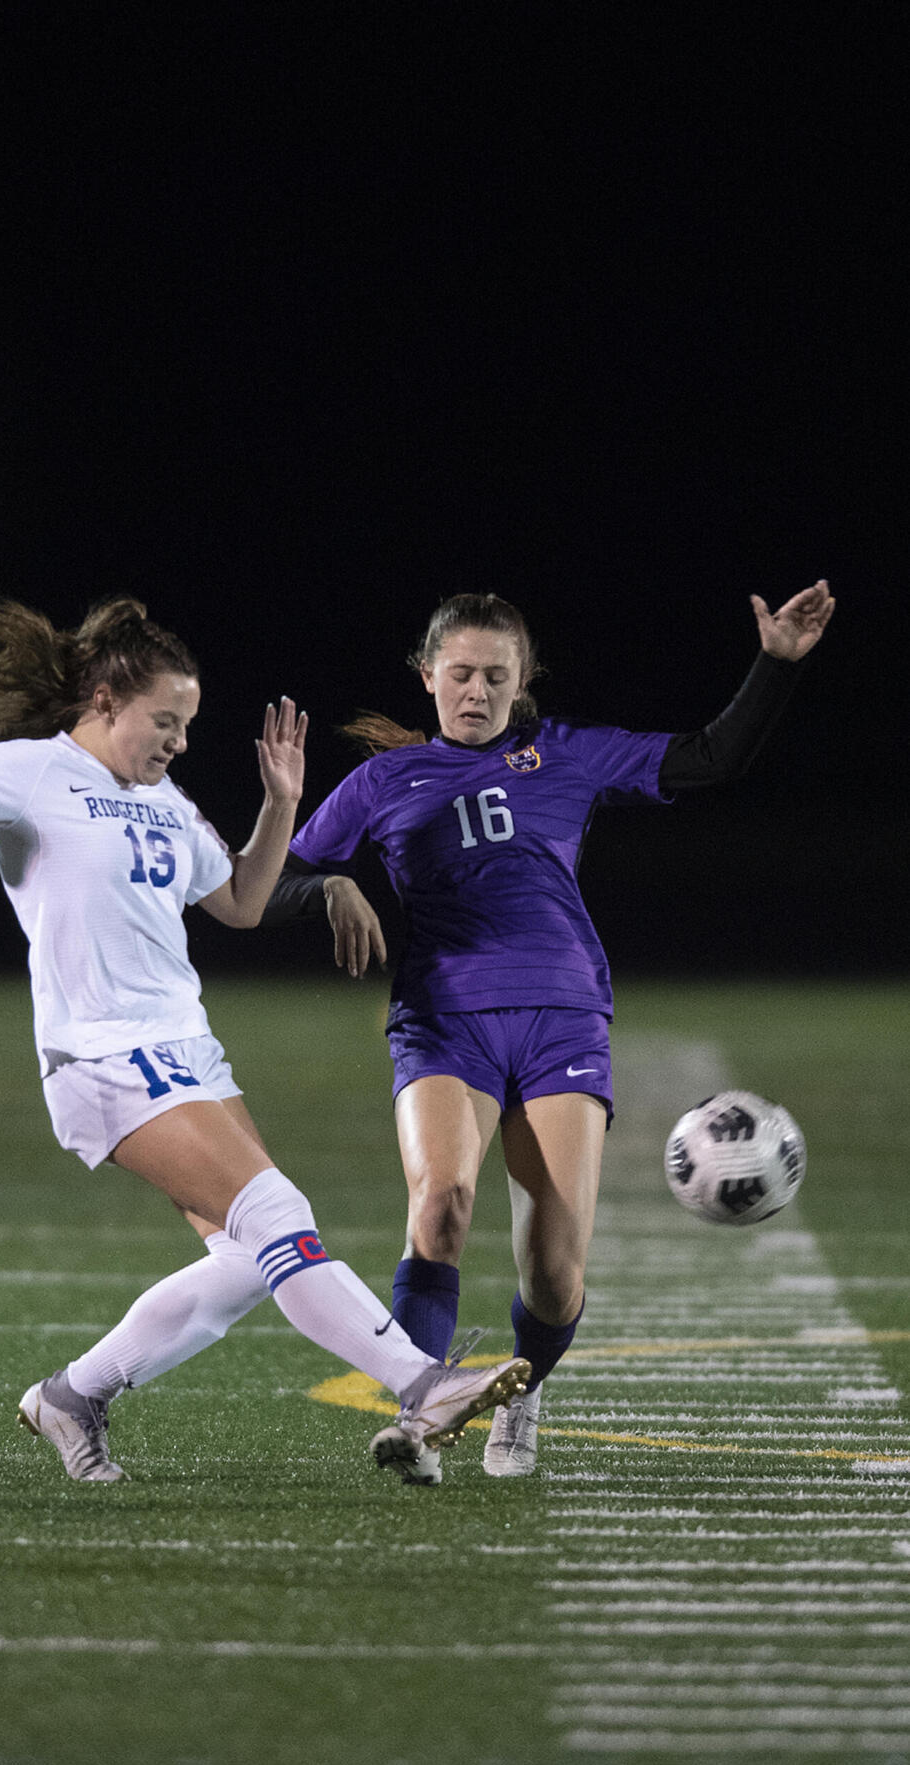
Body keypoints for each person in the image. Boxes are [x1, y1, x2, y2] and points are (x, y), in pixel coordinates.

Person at [0, 594, 530, 1489]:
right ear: (105, 702)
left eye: (187, 724)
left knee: (246, 1260)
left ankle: (72, 1396)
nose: (180, 740)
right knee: (279, 1220)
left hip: (188, 1052)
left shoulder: (165, 799)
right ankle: (423, 1382)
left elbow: (242, 903)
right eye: (166, 720)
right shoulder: (32, 772)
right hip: (104, 1058)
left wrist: (281, 803)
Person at [265, 579, 836, 1480]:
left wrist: (774, 666)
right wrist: (329, 883)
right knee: (441, 1203)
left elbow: (712, 759)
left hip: (563, 1015)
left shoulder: (566, 755)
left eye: (498, 675)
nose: (478, 691)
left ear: (522, 678)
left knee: (555, 1275)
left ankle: (522, 1392)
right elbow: (261, 884)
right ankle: (422, 1418)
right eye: (461, 673)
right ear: (427, 675)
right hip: (443, 1019)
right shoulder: (384, 780)